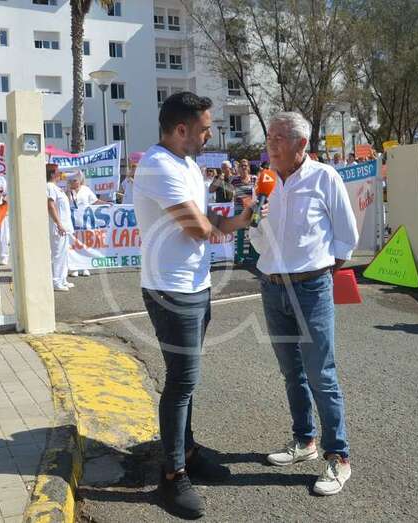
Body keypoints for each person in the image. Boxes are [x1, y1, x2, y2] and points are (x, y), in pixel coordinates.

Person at [134, 91, 255, 519]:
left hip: (195, 285)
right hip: (171, 290)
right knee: (181, 381)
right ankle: (172, 475)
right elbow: (198, 229)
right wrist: (219, 225)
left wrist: (244, 217)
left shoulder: (187, 165)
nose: (209, 136)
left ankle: (185, 449)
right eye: (204, 129)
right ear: (181, 129)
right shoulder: (157, 165)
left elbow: (212, 222)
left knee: (186, 381)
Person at [249, 111, 359, 497]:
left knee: (320, 374)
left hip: (311, 288)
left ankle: (338, 457)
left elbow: (346, 235)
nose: (271, 143)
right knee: (290, 371)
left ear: (301, 145)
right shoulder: (264, 182)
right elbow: (259, 238)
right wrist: (254, 223)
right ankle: (304, 441)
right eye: (269, 137)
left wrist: (318, 274)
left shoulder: (324, 177)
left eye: (279, 137)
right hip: (271, 286)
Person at [46, 164, 75, 291]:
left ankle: (62, 279)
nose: (60, 174)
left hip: (65, 226)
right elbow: (51, 206)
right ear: (52, 174)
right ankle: (56, 281)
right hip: (58, 226)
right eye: (58, 172)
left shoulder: (57, 188)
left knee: (63, 254)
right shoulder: (49, 186)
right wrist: (58, 223)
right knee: (57, 254)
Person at [66, 171, 101, 277]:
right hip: (73, 222)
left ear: (80, 180)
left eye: (75, 180)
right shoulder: (67, 191)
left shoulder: (86, 190)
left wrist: (107, 204)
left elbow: (94, 201)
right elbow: (66, 203)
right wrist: (68, 192)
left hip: (85, 221)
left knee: (85, 243)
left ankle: (85, 267)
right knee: (74, 244)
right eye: (71, 180)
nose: (73, 182)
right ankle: (75, 267)